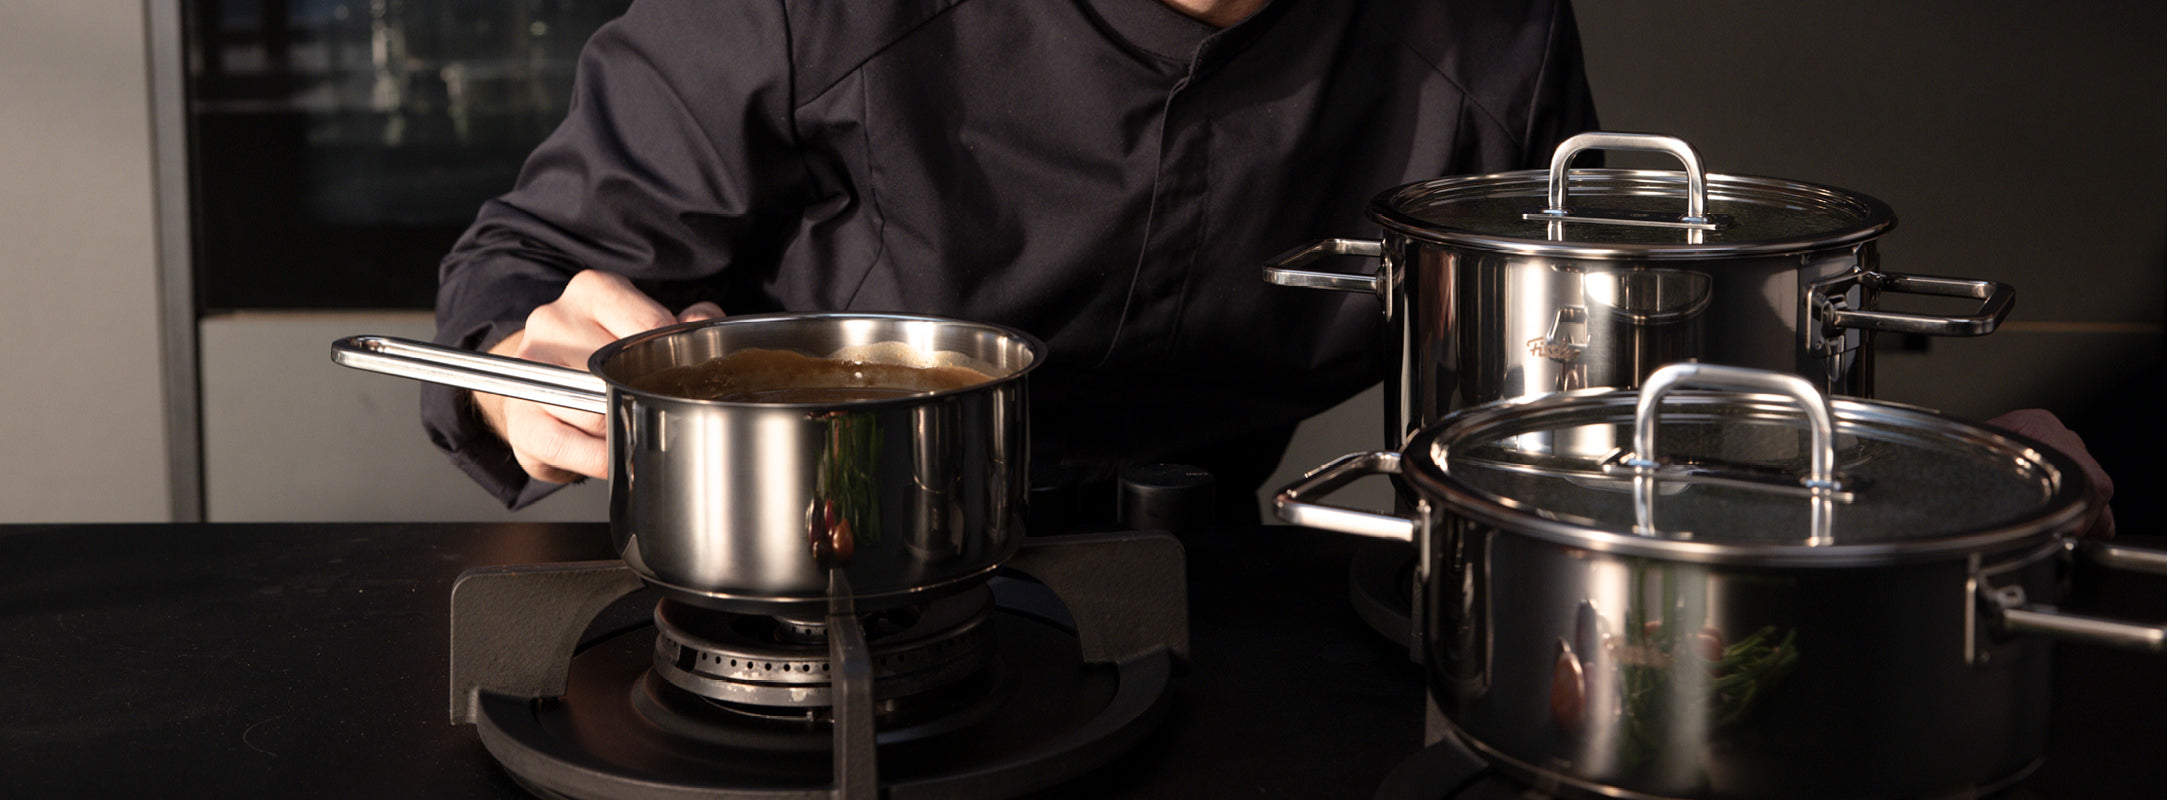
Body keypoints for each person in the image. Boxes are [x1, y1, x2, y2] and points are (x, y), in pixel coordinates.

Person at [423, 0, 1602, 528]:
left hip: (1227, 595)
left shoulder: (1494, 40)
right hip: (808, 572)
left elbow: (1562, 390)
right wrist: (519, 374)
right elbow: (533, 266)